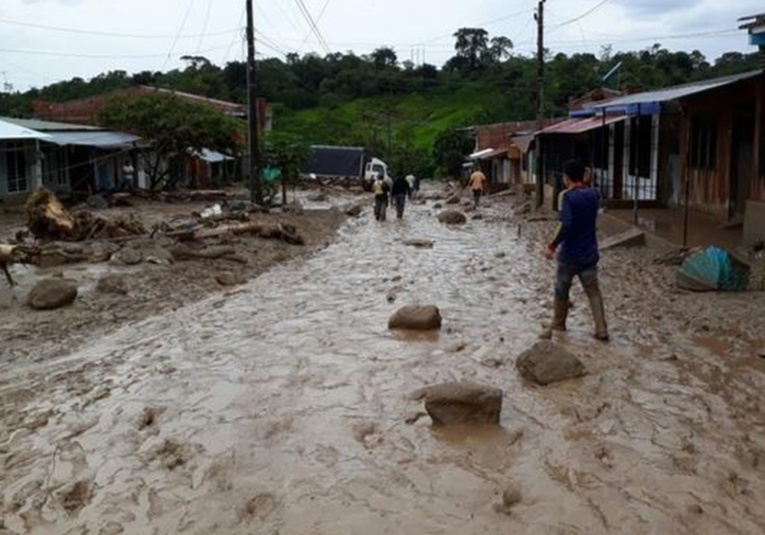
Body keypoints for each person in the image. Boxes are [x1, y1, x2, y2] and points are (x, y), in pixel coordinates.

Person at [542, 159, 609, 341]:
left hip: (570, 254)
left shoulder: (567, 196)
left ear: (566, 177)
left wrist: (551, 246)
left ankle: (559, 322)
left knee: (561, 287)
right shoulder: (594, 194)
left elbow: (566, 225)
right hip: (589, 252)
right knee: (593, 291)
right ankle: (601, 328)